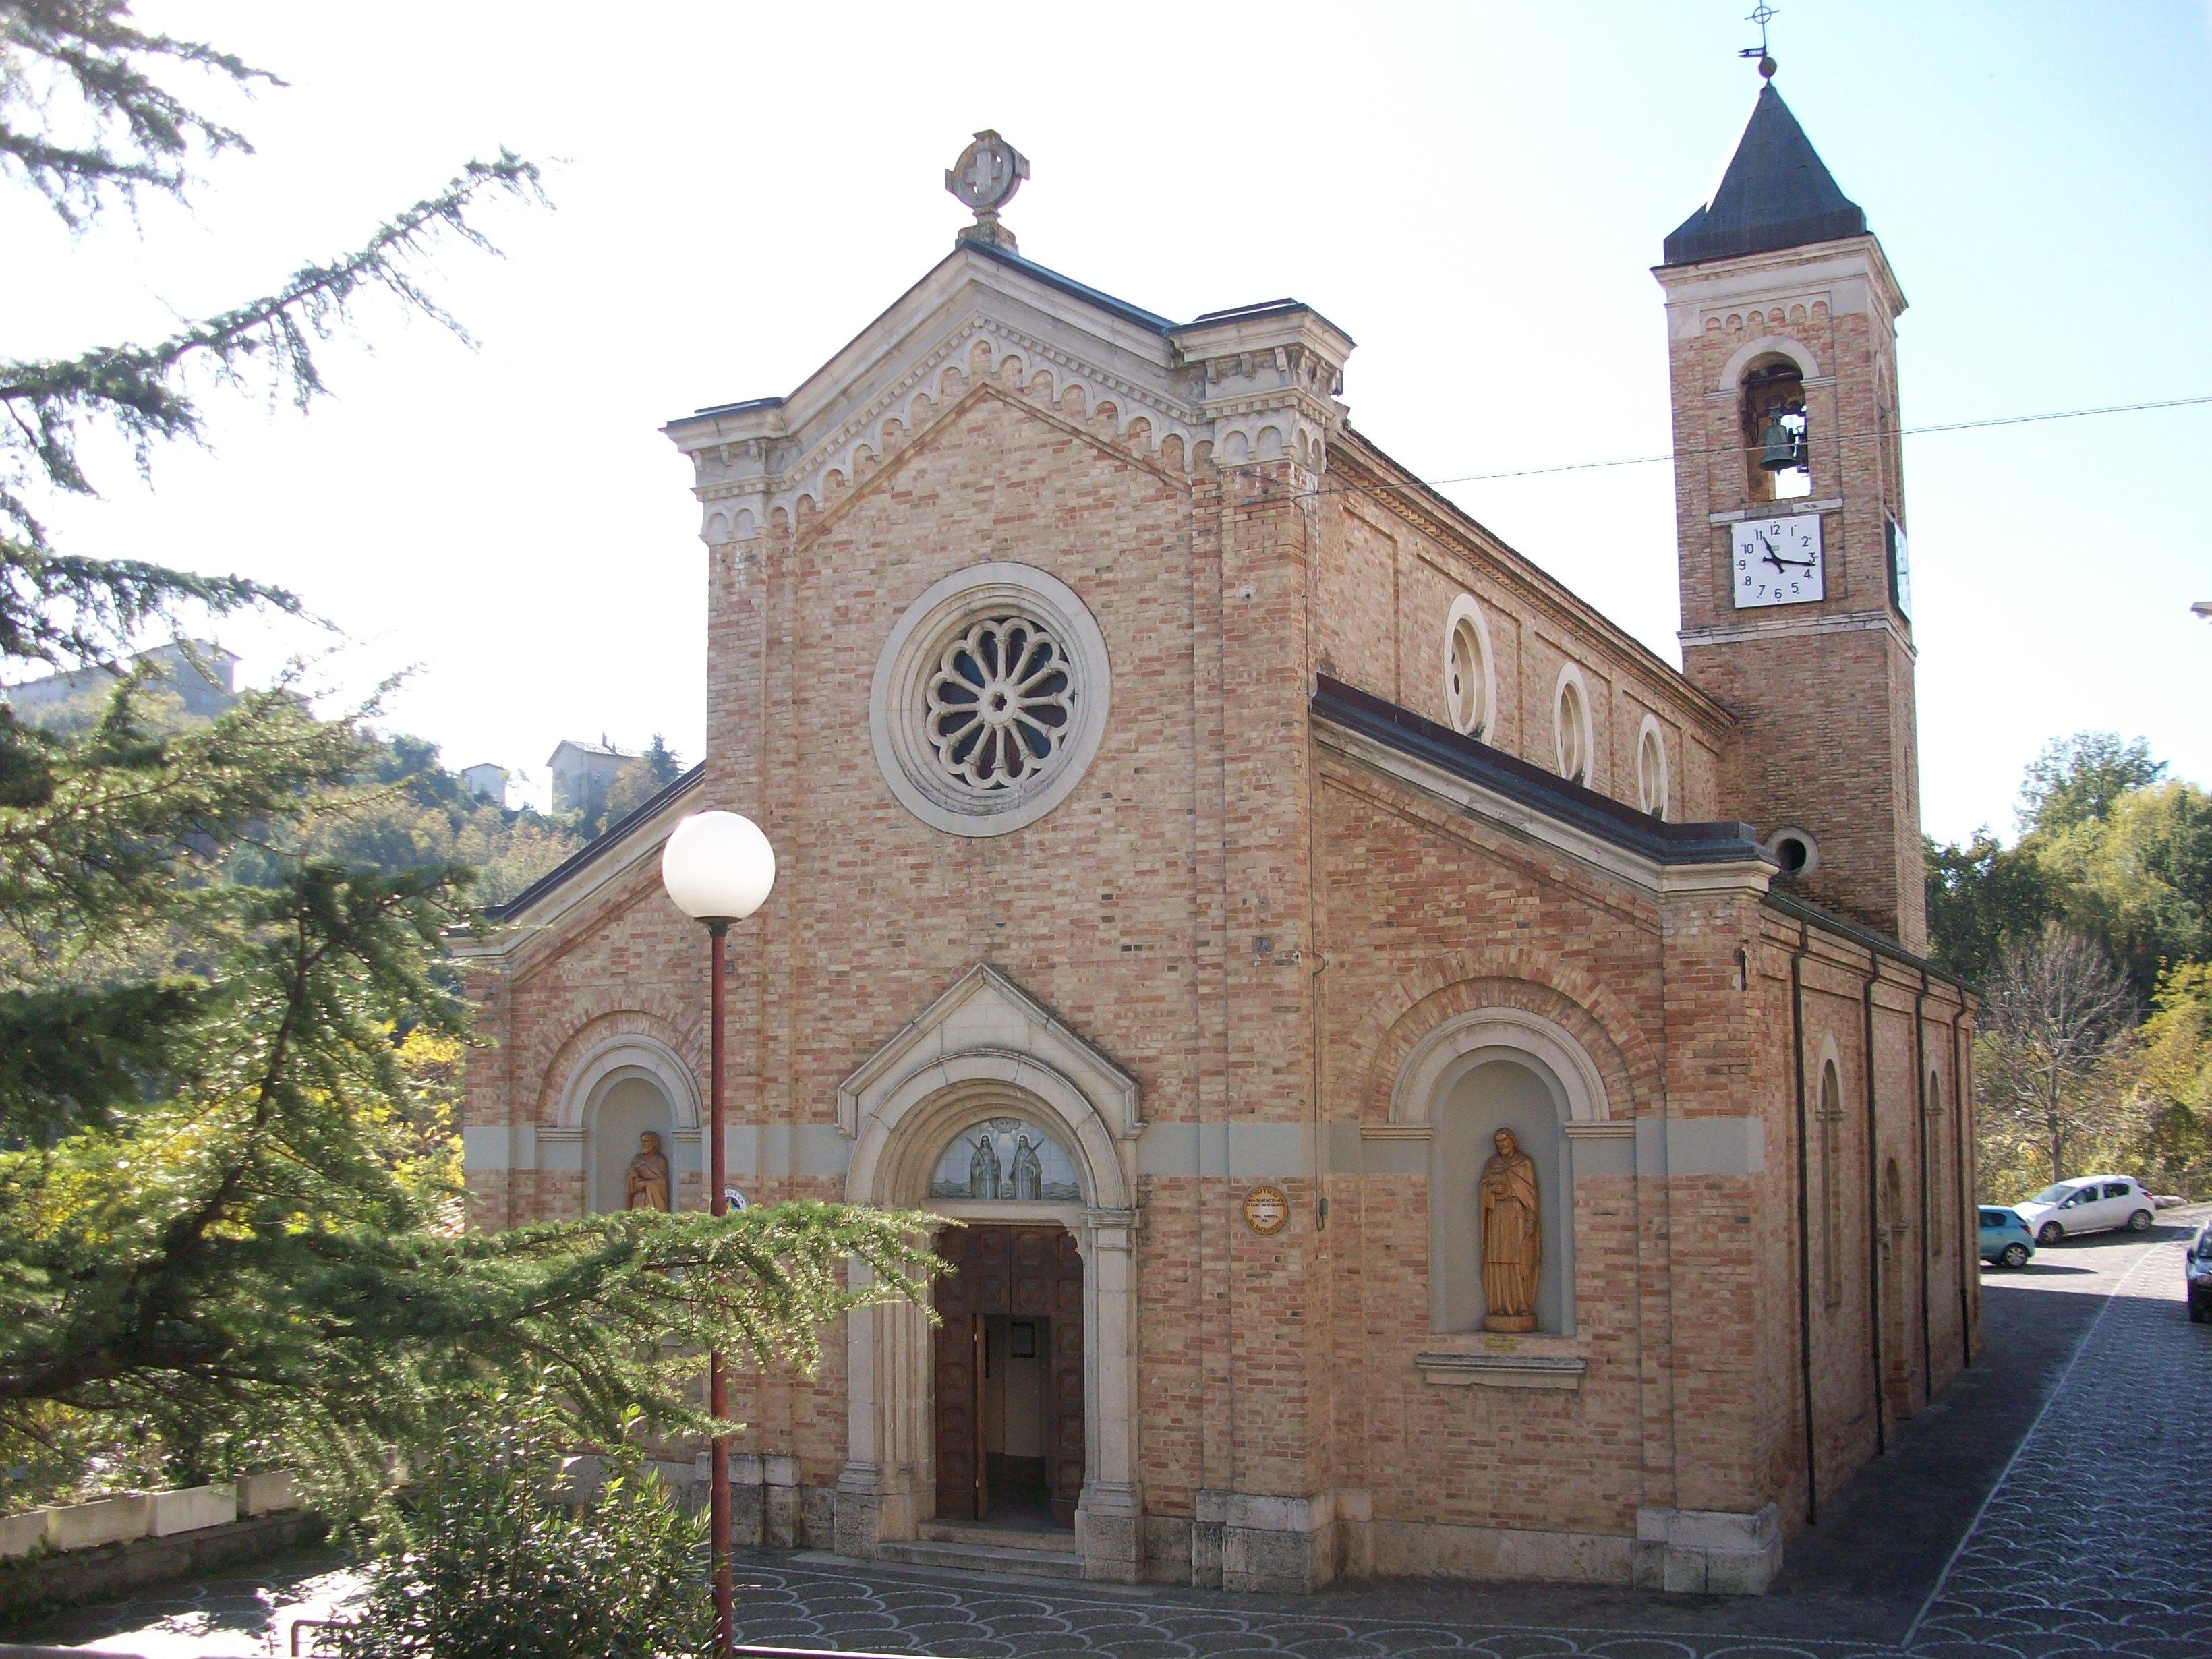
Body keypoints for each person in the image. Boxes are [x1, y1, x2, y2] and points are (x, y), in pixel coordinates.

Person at [1478, 1127, 1540, 1331]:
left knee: (1518, 1258)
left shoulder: (1524, 1163)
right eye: (1498, 1141)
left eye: (1505, 1140)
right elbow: (1483, 1188)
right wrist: (1490, 1190)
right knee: (1498, 1260)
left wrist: (1531, 1218)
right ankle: (1500, 1305)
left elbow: (1531, 1194)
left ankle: (1522, 1305)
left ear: (1513, 1141)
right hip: (1498, 1214)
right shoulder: (1492, 1164)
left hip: (1517, 1213)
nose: (1502, 1145)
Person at [626, 1130, 672, 1212]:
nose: (643, 1145)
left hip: (652, 1199)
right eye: (642, 1142)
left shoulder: (660, 1160)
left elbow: (662, 1183)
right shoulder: (638, 1159)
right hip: (638, 1197)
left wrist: (646, 1184)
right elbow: (630, 1176)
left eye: (646, 1142)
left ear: (654, 1143)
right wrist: (632, 1177)